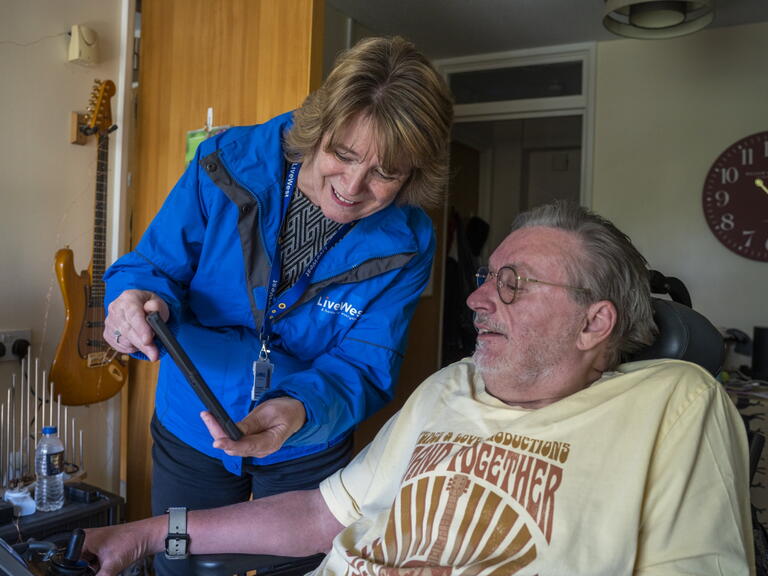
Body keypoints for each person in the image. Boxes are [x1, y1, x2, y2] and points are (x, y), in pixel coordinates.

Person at [86, 201, 754, 575]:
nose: (476, 300)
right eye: (488, 277)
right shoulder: (449, 386)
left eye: (513, 282)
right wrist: (147, 533)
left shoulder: (672, 402)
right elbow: (320, 516)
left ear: (594, 321)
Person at [101, 36, 453, 575]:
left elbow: (363, 363)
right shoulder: (224, 164)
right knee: (179, 565)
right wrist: (133, 299)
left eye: (386, 173)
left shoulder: (410, 240)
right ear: (318, 127)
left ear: (413, 175)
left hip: (306, 438)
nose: (353, 187)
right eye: (343, 153)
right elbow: (151, 266)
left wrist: (300, 411)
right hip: (191, 421)